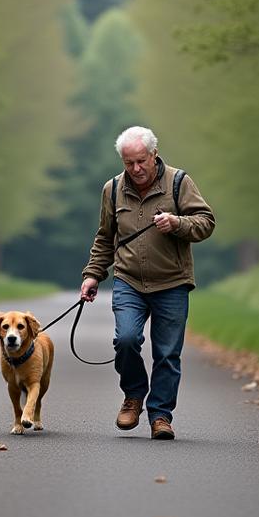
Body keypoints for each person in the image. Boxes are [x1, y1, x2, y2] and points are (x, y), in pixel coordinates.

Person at [79, 126, 215, 440]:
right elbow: (105, 238)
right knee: (126, 340)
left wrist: (177, 223)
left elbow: (206, 222)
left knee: (167, 353)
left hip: (172, 282)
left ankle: (161, 416)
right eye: (129, 163)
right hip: (128, 280)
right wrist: (92, 274)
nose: (136, 169)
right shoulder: (112, 189)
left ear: (154, 155)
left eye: (141, 161)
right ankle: (133, 395)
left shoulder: (179, 183)